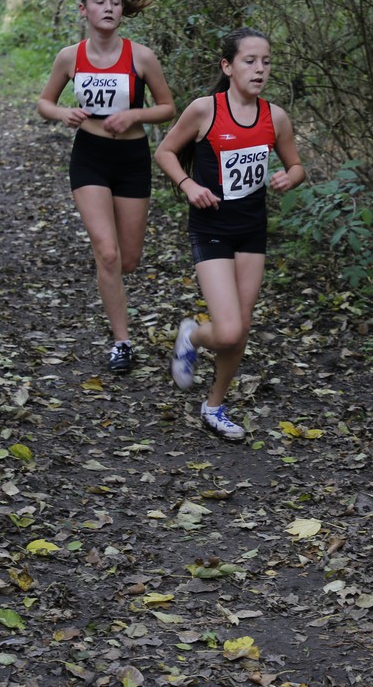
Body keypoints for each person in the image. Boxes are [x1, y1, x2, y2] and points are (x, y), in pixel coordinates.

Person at [154, 28, 306, 439]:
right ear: (227, 66)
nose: (260, 69)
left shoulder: (275, 117)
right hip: (212, 229)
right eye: (249, 61)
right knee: (227, 330)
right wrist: (188, 185)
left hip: (252, 232)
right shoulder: (205, 110)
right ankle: (193, 335)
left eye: (266, 62)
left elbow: (296, 166)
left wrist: (289, 178)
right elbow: (165, 152)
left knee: (241, 328)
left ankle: (214, 407)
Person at [36, 0, 176, 373]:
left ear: (122, 10)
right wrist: (63, 113)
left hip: (132, 158)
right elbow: (45, 103)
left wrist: (135, 115)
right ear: (84, 10)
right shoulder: (70, 57)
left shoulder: (141, 57)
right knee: (107, 251)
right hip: (90, 157)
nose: (109, 8)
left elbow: (167, 108)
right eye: (100, 2)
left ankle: (108, 274)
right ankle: (122, 342)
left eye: (115, 2)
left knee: (127, 260)